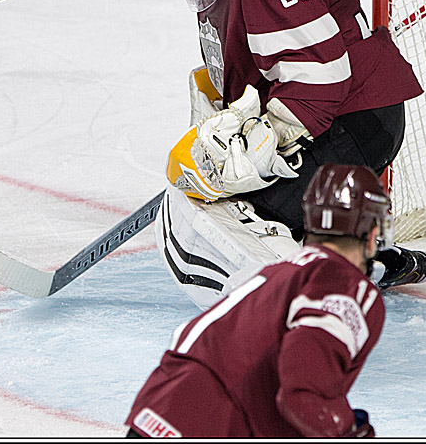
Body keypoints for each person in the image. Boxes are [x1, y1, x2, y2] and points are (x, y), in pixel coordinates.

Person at [156, 0, 426, 309]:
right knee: (234, 180)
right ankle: (373, 258)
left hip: (354, 119)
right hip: (343, 115)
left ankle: (319, 276)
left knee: (241, 197)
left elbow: (322, 73)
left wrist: (261, 141)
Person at [126, 164, 390, 438]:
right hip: (214, 421)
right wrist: (345, 430)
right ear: (371, 235)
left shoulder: (277, 272)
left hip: (159, 406)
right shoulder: (343, 283)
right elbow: (303, 392)